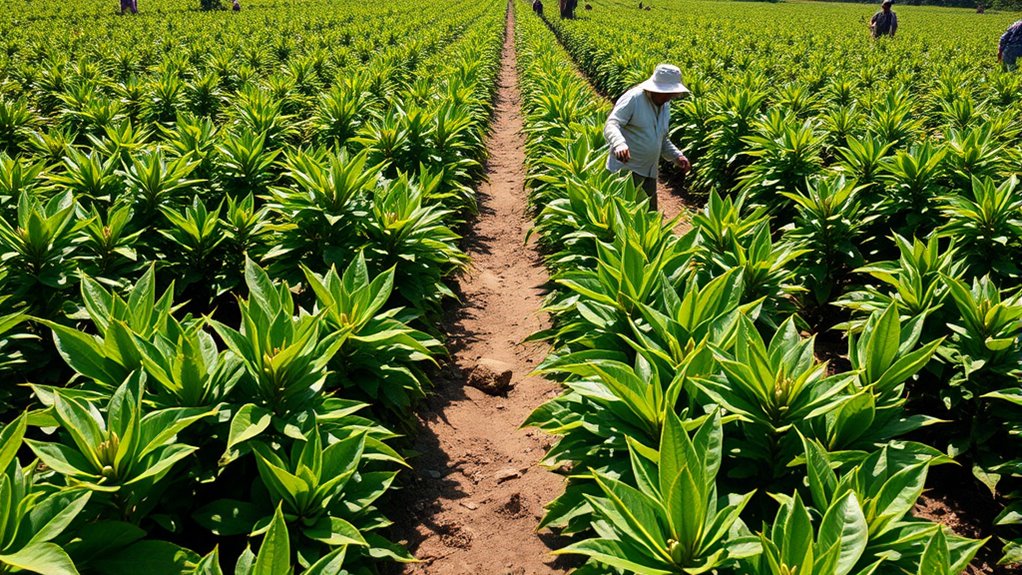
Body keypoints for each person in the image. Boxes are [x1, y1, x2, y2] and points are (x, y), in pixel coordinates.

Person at [603, 64, 691, 211]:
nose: (669, 96)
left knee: (648, 218)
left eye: (672, 93)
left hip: (649, 172)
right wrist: (619, 144)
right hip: (626, 171)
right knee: (623, 216)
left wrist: (677, 156)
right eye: (666, 92)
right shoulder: (634, 98)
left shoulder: (665, 105)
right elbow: (611, 124)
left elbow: (661, 138)